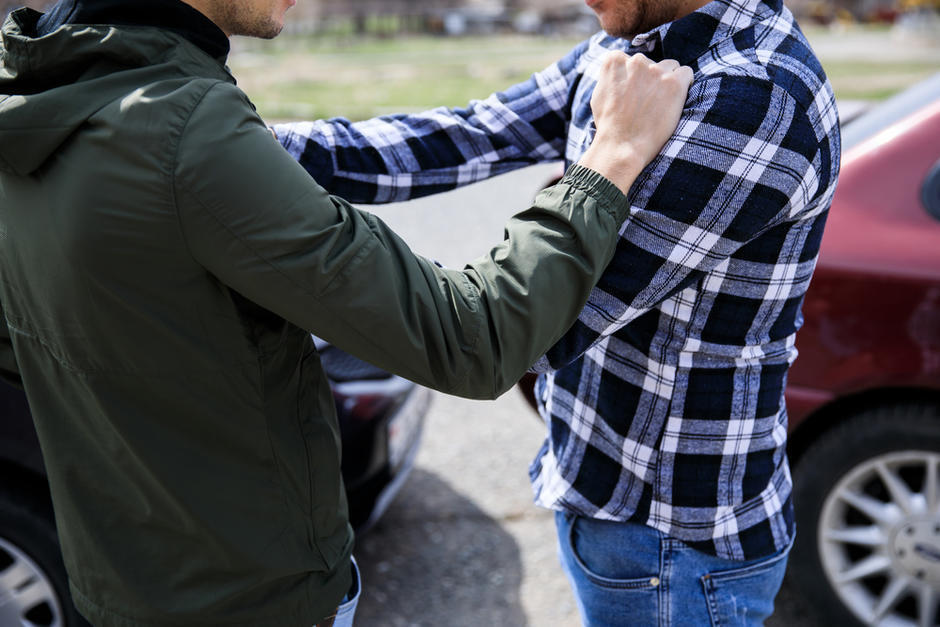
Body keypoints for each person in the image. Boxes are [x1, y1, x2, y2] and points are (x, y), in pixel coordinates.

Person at [0, 0, 692, 625]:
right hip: (253, 602)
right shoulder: (184, 133)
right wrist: (611, 158)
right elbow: (470, 337)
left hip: (117, 588)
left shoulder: (41, 101)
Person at [274, 0, 842, 623]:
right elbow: (474, 133)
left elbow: (522, 326)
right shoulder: (637, 41)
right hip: (598, 488)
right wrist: (255, 150)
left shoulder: (755, 101)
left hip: (669, 542)